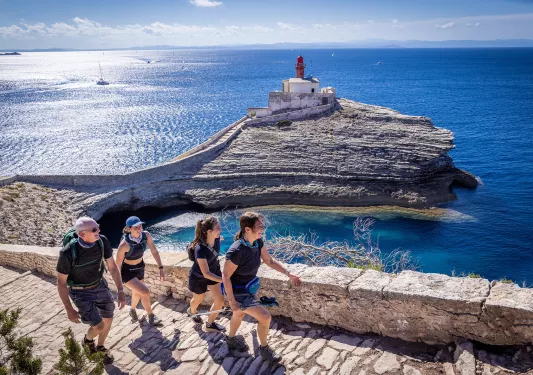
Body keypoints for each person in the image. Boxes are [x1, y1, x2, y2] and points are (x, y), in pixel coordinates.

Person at [222, 211, 302, 362]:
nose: (263, 228)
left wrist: (288, 273)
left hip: (249, 288)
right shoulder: (236, 251)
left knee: (239, 315)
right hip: (238, 293)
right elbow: (225, 276)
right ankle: (264, 349)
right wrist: (233, 302)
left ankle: (231, 339)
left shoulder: (257, 243)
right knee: (265, 317)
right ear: (247, 229)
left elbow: (269, 261)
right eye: (259, 225)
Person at [56, 217, 126, 365]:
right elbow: (61, 283)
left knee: (108, 318)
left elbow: (112, 267)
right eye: (94, 230)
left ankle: (100, 347)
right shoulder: (67, 252)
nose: (99, 231)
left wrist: (120, 290)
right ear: (81, 234)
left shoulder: (102, 241)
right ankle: (87, 341)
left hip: (99, 285)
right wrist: (69, 308)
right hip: (79, 291)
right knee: (99, 325)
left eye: (98, 227)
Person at [115, 216, 165, 326]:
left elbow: (154, 251)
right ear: (129, 229)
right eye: (136, 227)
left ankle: (132, 310)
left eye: (140, 226)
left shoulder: (146, 235)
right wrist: (120, 288)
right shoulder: (124, 245)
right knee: (145, 291)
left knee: (137, 293)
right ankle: (151, 315)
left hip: (140, 268)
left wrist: (161, 268)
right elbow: (117, 265)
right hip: (127, 272)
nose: (139, 229)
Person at [186, 216, 226, 332]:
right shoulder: (200, 249)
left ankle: (210, 324)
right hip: (198, 277)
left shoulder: (217, 238)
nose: (220, 230)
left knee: (219, 300)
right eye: (218, 228)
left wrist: (218, 236)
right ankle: (192, 312)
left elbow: (217, 240)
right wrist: (224, 279)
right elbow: (206, 273)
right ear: (209, 231)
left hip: (214, 271)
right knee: (199, 298)